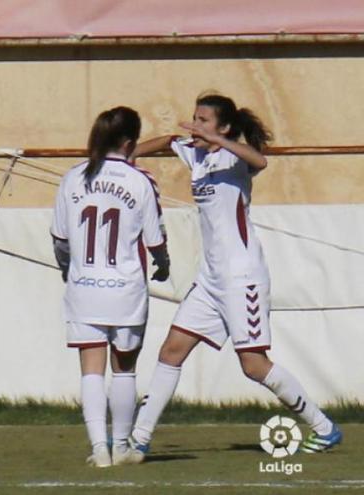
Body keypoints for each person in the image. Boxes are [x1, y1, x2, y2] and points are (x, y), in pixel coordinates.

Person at [119, 93, 342, 464]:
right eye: (194, 118)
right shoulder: (196, 153)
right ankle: (139, 441)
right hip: (210, 280)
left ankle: (323, 427)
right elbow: (167, 142)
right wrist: (129, 155)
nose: (196, 125)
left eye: (204, 120)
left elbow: (261, 160)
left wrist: (221, 142)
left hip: (243, 278)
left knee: (253, 365)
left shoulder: (233, 157)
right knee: (171, 352)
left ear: (224, 127)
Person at [51, 106, 170, 467]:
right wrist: (164, 265)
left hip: (84, 287)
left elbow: (59, 239)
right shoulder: (140, 181)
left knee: (90, 368)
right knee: (124, 369)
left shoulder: (73, 178)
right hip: (126, 290)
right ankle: (121, 446)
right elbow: (155, 240)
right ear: (131, 142)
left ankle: (98, 448)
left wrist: (67, 269)